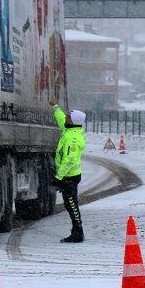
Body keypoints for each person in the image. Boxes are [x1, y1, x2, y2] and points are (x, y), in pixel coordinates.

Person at [51, 104, 86, 243]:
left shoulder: (73, 138)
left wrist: (58, 177)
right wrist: (55, 107)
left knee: (71, 204)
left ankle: (78, 233)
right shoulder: (69, 130)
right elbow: (61, 120)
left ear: (73, 121)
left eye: (68, 117)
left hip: (70, 176)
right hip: (69, 176)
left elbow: (69, 160)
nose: (65, 118)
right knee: (70, 203)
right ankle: (77, 231)